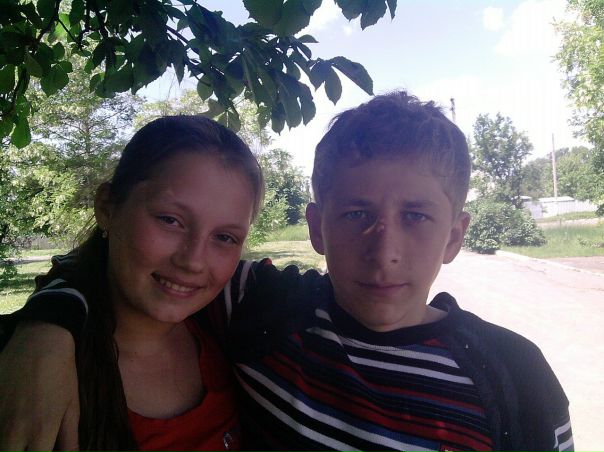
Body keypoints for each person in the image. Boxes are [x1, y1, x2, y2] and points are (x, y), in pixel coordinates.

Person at [0, 92, 573, 452]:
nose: (385, 252)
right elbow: (105, 267)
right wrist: (48, 327)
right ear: (317, 228)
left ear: (454, 236)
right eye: (356, 214)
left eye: (417, 217)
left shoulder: (514, 379)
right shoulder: (263, 309)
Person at [0, 115, 264, 452]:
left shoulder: (230, 328)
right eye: (170, 220)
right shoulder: (27, 373)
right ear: (107, 208)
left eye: (225, 237)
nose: (194, 261)